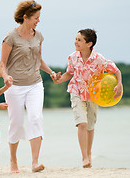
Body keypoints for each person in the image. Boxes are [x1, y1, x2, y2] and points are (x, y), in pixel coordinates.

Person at [52, 29, 123, 168]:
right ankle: (84, 157)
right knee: (82, 124)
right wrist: (58, 80)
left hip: (94, 95)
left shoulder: (99, 59)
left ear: (89, 43)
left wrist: (119, 84)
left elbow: (116, 70)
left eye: (79, 40)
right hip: (76, 91)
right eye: (76, 38)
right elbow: (69, 74)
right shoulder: (72, 57)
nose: (75, 42)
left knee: (90, 126)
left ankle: (89, 154)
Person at [1, 0, 56, 173]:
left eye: (39, 18)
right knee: (16, 123)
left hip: (35, 84)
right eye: (35, 18)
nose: (38, 21)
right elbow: (2, 63)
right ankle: (13, 161)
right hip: (14, 86)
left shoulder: (38, 36)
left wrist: (51, 73)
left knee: (35, 118)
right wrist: (5, 76)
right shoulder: (11, 37)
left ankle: (34, 162)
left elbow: (38, 60)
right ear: (25, 17)